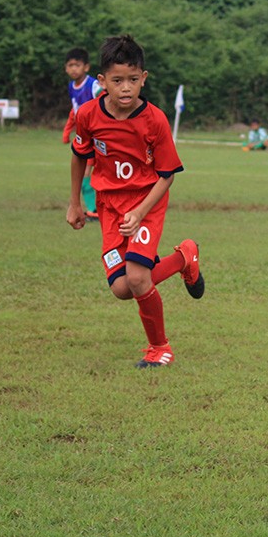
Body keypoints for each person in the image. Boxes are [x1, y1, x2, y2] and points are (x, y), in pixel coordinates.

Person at [66, 34, 205, 369]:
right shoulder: (88, 115)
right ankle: (184, 257)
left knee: (139, 277)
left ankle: (160, 348)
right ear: (102, 82)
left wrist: (141, 212)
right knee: (122, 288)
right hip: (109, 206)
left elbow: (167, 174)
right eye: (117, 81)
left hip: (147, 203)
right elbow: (78, 157)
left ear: (144, 78)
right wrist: (74, 203)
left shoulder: (155, 119)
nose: (125, 88)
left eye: (132, 80)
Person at [62, 48, 102, 219]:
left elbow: (106, 100)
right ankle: (94, 209)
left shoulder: (93, 85)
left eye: (77, 65)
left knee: (88, 175)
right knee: (86, 174)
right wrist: (67, 131)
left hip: (98, 138)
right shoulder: (72, 87)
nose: (73, 69)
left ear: (86, 67)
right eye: (70, 65)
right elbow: (75, 111)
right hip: (84, 139)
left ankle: (95, 210)